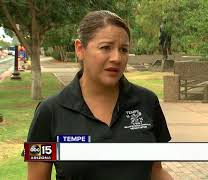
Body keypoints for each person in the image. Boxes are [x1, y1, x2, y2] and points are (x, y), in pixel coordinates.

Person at [27, 10, 173, 180]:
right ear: (80, 49)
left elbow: (156, 170)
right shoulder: (49, 111)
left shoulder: (147, 101)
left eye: (123, 49)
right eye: (106, 48)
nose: (117, 58)